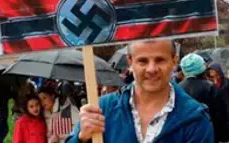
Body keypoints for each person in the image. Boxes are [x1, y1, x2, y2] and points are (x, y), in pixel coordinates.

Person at [66, 40, 213, 143]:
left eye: (160, 60)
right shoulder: (102, 110)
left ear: (174, 61)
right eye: (143, 61)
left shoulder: (194, 118)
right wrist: (80, 138)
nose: (151, 69)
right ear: (130, 62)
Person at [178, 54, 229, 143]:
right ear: (203, 68)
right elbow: (222, 115)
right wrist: (226, 138)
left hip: (186, 136)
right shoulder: (211, 87)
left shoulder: (177, 89)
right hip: (210, 134)